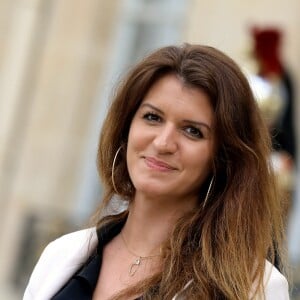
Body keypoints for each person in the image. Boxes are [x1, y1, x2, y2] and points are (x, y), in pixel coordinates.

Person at [23, 44, 289, 299]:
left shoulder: (254, 287)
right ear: (126, 128)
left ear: (221, 158)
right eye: (152, 117)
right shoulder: (60, 256)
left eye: (192, 131)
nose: (163, 143)